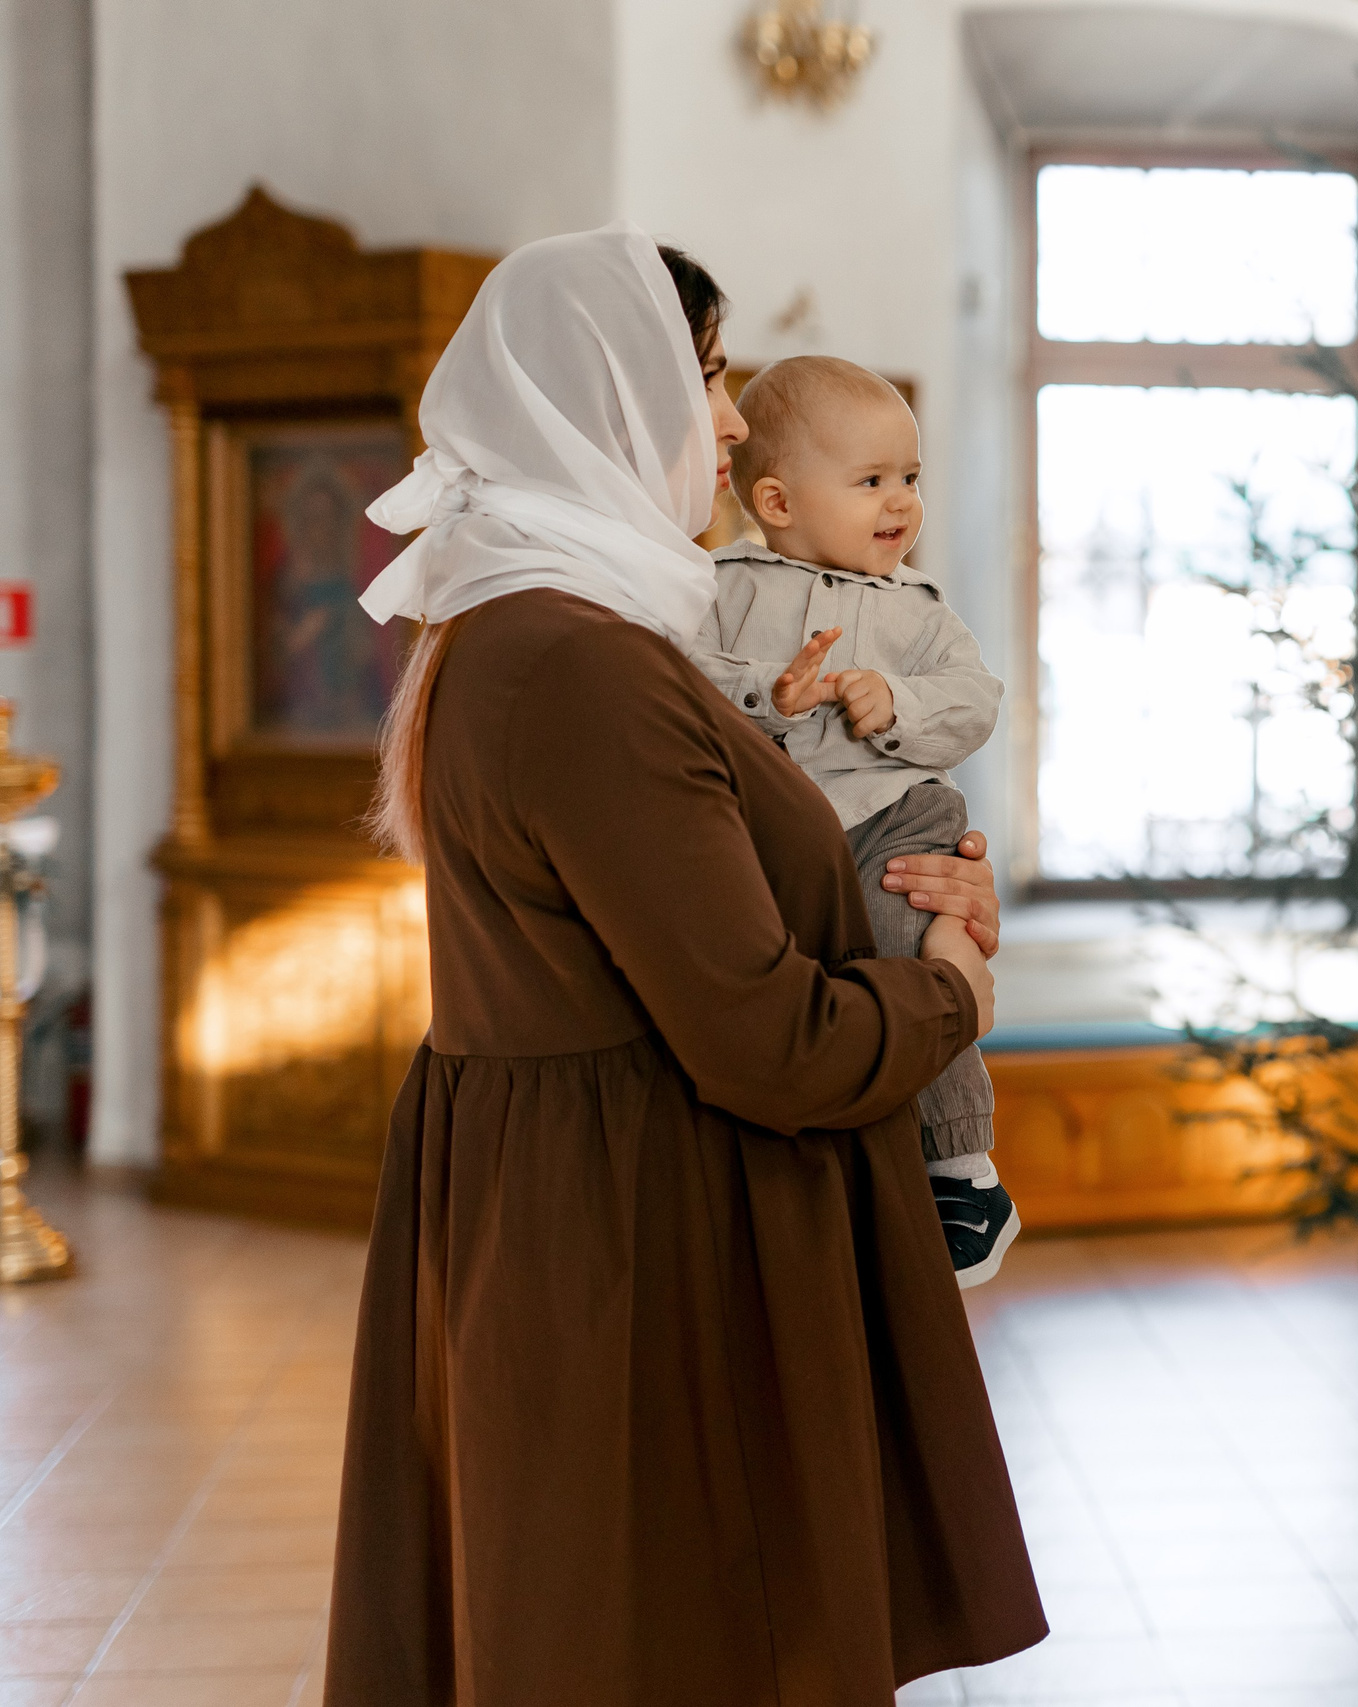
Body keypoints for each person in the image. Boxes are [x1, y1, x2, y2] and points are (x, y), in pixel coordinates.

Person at [323, 226, 1046, 1705]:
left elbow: (715, 901)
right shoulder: (582, 660)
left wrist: (896, 891)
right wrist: (955, 983)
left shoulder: (534, 626)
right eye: (705, 377)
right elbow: (767, 1037)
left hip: (606, 1212)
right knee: (661, 1637)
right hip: (648, 1240)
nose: (727, 420)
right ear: (606, 399)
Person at [687, 355, 1016, 1285]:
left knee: (907, 943)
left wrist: (899, 702)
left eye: (910, 478)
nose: (900, 503)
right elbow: (686, 676)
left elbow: (975, 702)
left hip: (896, 814)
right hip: (782, 827)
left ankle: (960, 1163)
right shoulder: (722, 586)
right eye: (871, 481)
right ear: (779, 503)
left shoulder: (918, 607)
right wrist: (772, 692)